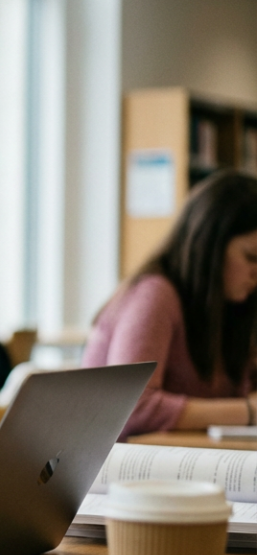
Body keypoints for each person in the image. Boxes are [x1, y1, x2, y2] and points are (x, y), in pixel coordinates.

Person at [83, 170, 257, 438]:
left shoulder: (232, 305)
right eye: (251, 257)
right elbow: (130, 409)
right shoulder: (155, 294)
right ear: (209, 245)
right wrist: (247, 411)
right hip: (116, 469)